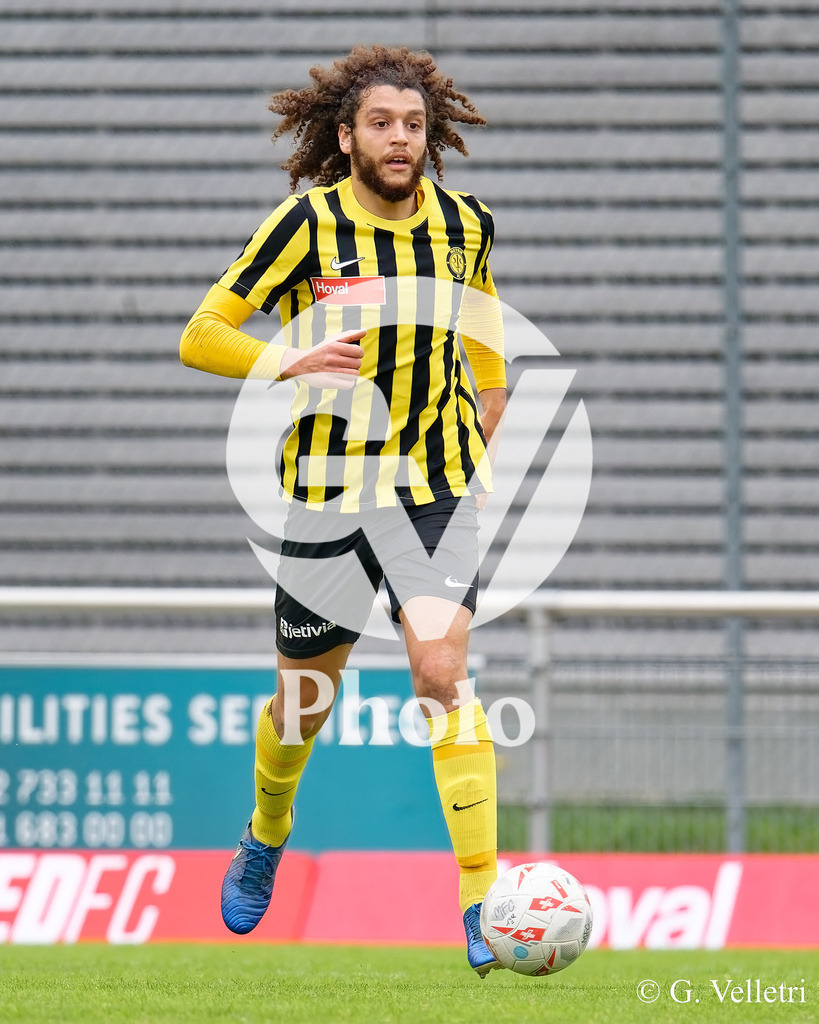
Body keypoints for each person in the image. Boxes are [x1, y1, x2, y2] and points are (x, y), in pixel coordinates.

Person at [179, 44, 507, 977]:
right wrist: (278, 360)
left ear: (428, 134)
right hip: (327, 497)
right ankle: (266, 832)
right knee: (303, 701)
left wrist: (479, 437)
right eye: (380, 123)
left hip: (435, 491)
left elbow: (484, 342)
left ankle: (482, 900)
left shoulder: (465, 226)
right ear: (345, 136)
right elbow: (200, 334)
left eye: (412, 124)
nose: (398, 138)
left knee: (441, 674)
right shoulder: (303, 226)